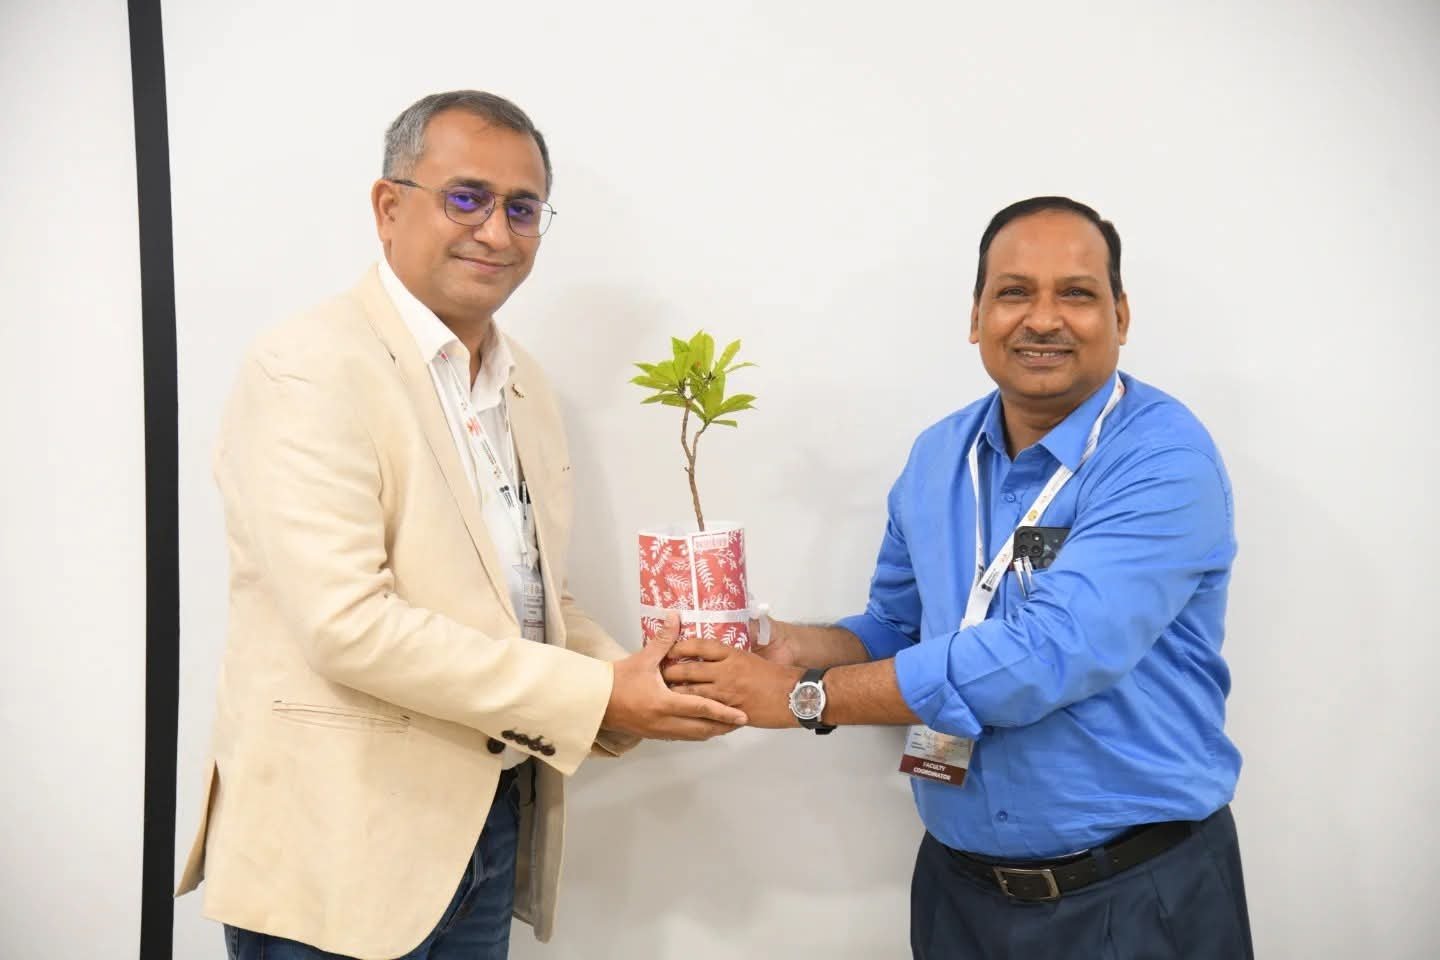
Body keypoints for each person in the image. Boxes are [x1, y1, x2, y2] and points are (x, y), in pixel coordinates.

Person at [175, 90, 746, 960]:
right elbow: (348, 626)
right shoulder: (308, 366)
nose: (495, 231)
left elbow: (532, 598)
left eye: (522, 209)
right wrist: (598, 696)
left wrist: (645, 678)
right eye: (467, 198)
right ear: (388, 206)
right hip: (338, 847)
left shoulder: (525, 385)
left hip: (490, 825)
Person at [664, 197, 1254, 958]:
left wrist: (804, 697)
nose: (1043, 318)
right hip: (957, 894)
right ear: (977, 317)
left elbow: (1051, 653)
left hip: (1133, 896)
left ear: (1121, 315)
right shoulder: (939, 456)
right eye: (1014, 292)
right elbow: (899, 626)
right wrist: (788, 647)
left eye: (1077, 293)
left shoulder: (1162, 461)